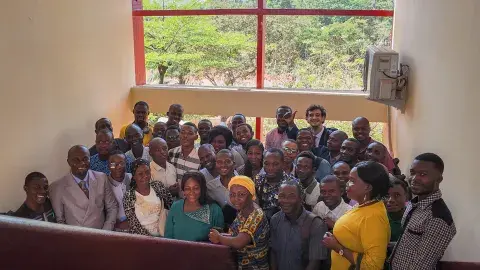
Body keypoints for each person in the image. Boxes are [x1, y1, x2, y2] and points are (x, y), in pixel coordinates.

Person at [389, 153, 456, 270]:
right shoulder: (413, 204)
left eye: (423, 174)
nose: (414, 179)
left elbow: (422, 265)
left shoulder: (437, 218)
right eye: (413, 172)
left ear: (439, 179)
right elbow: (410, 243)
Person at [322, 161, 390, 270]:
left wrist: (337, 247)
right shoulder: (363, 205)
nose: (347, 183)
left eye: (352, 181)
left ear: (367, 187)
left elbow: (372, 266)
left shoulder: (373, 217)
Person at [209, 176, 270, 270]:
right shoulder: (243, 210)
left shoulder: (256, 215)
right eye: (232, 195)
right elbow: (235, 233)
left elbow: (239, 242)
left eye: (241, 194)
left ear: (251, 194)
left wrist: (219, 237)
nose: (236, 199)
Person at [50, 145, 118, 230]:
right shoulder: (57, 187)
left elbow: (112, 207)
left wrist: (106, 231)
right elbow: (60, 220)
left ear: (90, 159)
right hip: (76, 238)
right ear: (68, 162)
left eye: (85, 159)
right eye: (76, 160)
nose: (81, 163)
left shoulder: (101, 178)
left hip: (101, 235)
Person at [270, 181, 329, 270]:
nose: (285, 201)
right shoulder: (275, 219)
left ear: (301, 198)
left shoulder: (316, 224)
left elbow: (315, 263)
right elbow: (273, 252)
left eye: (291, 197)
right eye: (282, 196)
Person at [165, 172, 224, 241]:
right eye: (187, 188)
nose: (191, 192)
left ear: (202, 188)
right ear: (183, 190)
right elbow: (168, 237)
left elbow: (218, 243)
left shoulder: (215, 210)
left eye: (196, 188)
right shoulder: (176, 206)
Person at [123, 159, 173, 236]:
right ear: (134, 176)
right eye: (140, 174)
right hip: (142, 239)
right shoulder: (129, 196)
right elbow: (134, 225)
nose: (145, 176)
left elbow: (171, 206)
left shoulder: (158, 186)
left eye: (147, 172)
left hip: (164, 233)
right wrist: (152, 240)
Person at [255, 148, 299, 221]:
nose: (270, 168)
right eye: (266, 164)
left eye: (275, 164)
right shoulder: (258, 180)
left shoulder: (293, 184)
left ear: (283, 163)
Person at [168, 122, 201, 197]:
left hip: (192, 199)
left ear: (196, 137)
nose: (185, 136)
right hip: (174, 200)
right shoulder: (171, 153)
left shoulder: (199, 156)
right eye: (182, 132)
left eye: (190, 133)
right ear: (179, 135)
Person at [107, 150, 132, 232]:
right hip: (114, 228)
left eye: (122, 163)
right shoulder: (104, 184)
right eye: (114, 164)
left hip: (134, 225)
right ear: (108, 166)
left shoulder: (133, 178)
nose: (118, 167)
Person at [385, 178, 411, 243]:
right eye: (387, 195)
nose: (391, 200)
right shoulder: (377, 218)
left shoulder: (413, 219)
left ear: (406, 197)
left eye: (397, 195)